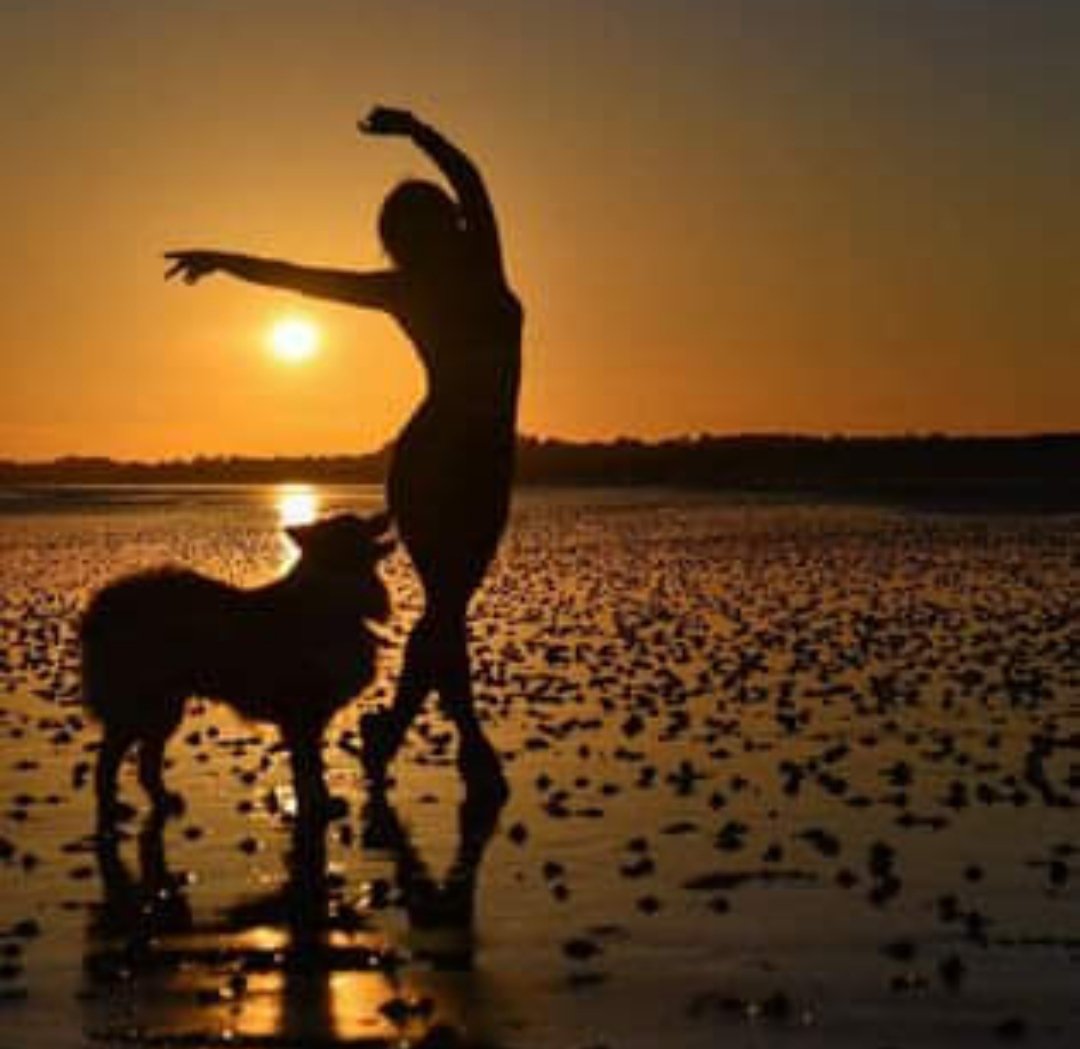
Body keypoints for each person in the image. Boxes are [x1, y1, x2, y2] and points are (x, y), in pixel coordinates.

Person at [165, 106, 521, 799]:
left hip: (476, 462)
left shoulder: (476, 266)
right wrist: (224, 260)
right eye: (407, 235)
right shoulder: (419, 284)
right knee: (447, 607)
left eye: (428, 225)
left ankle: (395, 729)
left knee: (447, 608)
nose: (422, 240)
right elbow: (299, 277)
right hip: (438, 462)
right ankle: (467, 746)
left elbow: (470, 180)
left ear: (448, 225)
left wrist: (418, 133)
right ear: (403, 244)